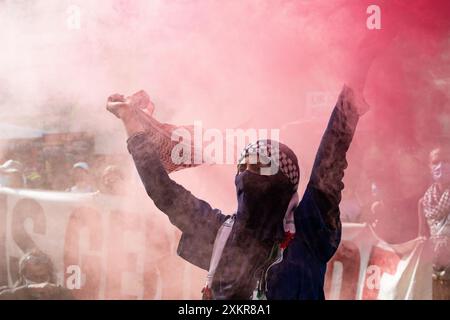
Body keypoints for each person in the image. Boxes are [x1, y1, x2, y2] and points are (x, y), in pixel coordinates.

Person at [106, 35, 387, 299]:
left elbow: (333, 149)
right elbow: (162, 190)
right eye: (244, 166)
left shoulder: (309, 229)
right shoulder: (218, 232)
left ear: (285, 182)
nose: (249, 174)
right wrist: (130, 122)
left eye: (261, 166)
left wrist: (357, 73)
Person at [419, 147, 450, 299]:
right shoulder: (423, 202)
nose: (441, 166)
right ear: (429, 167)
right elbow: (422, 239)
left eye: (446, 161)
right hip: (434, 271)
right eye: (436, 162)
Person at [0, 249, 74, 300]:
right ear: (23, 276)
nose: (39, 282)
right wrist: (28, 289)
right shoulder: (9, 294)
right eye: (33, 277)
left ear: (50, 275)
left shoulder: (62, 294)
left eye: (43, 277)